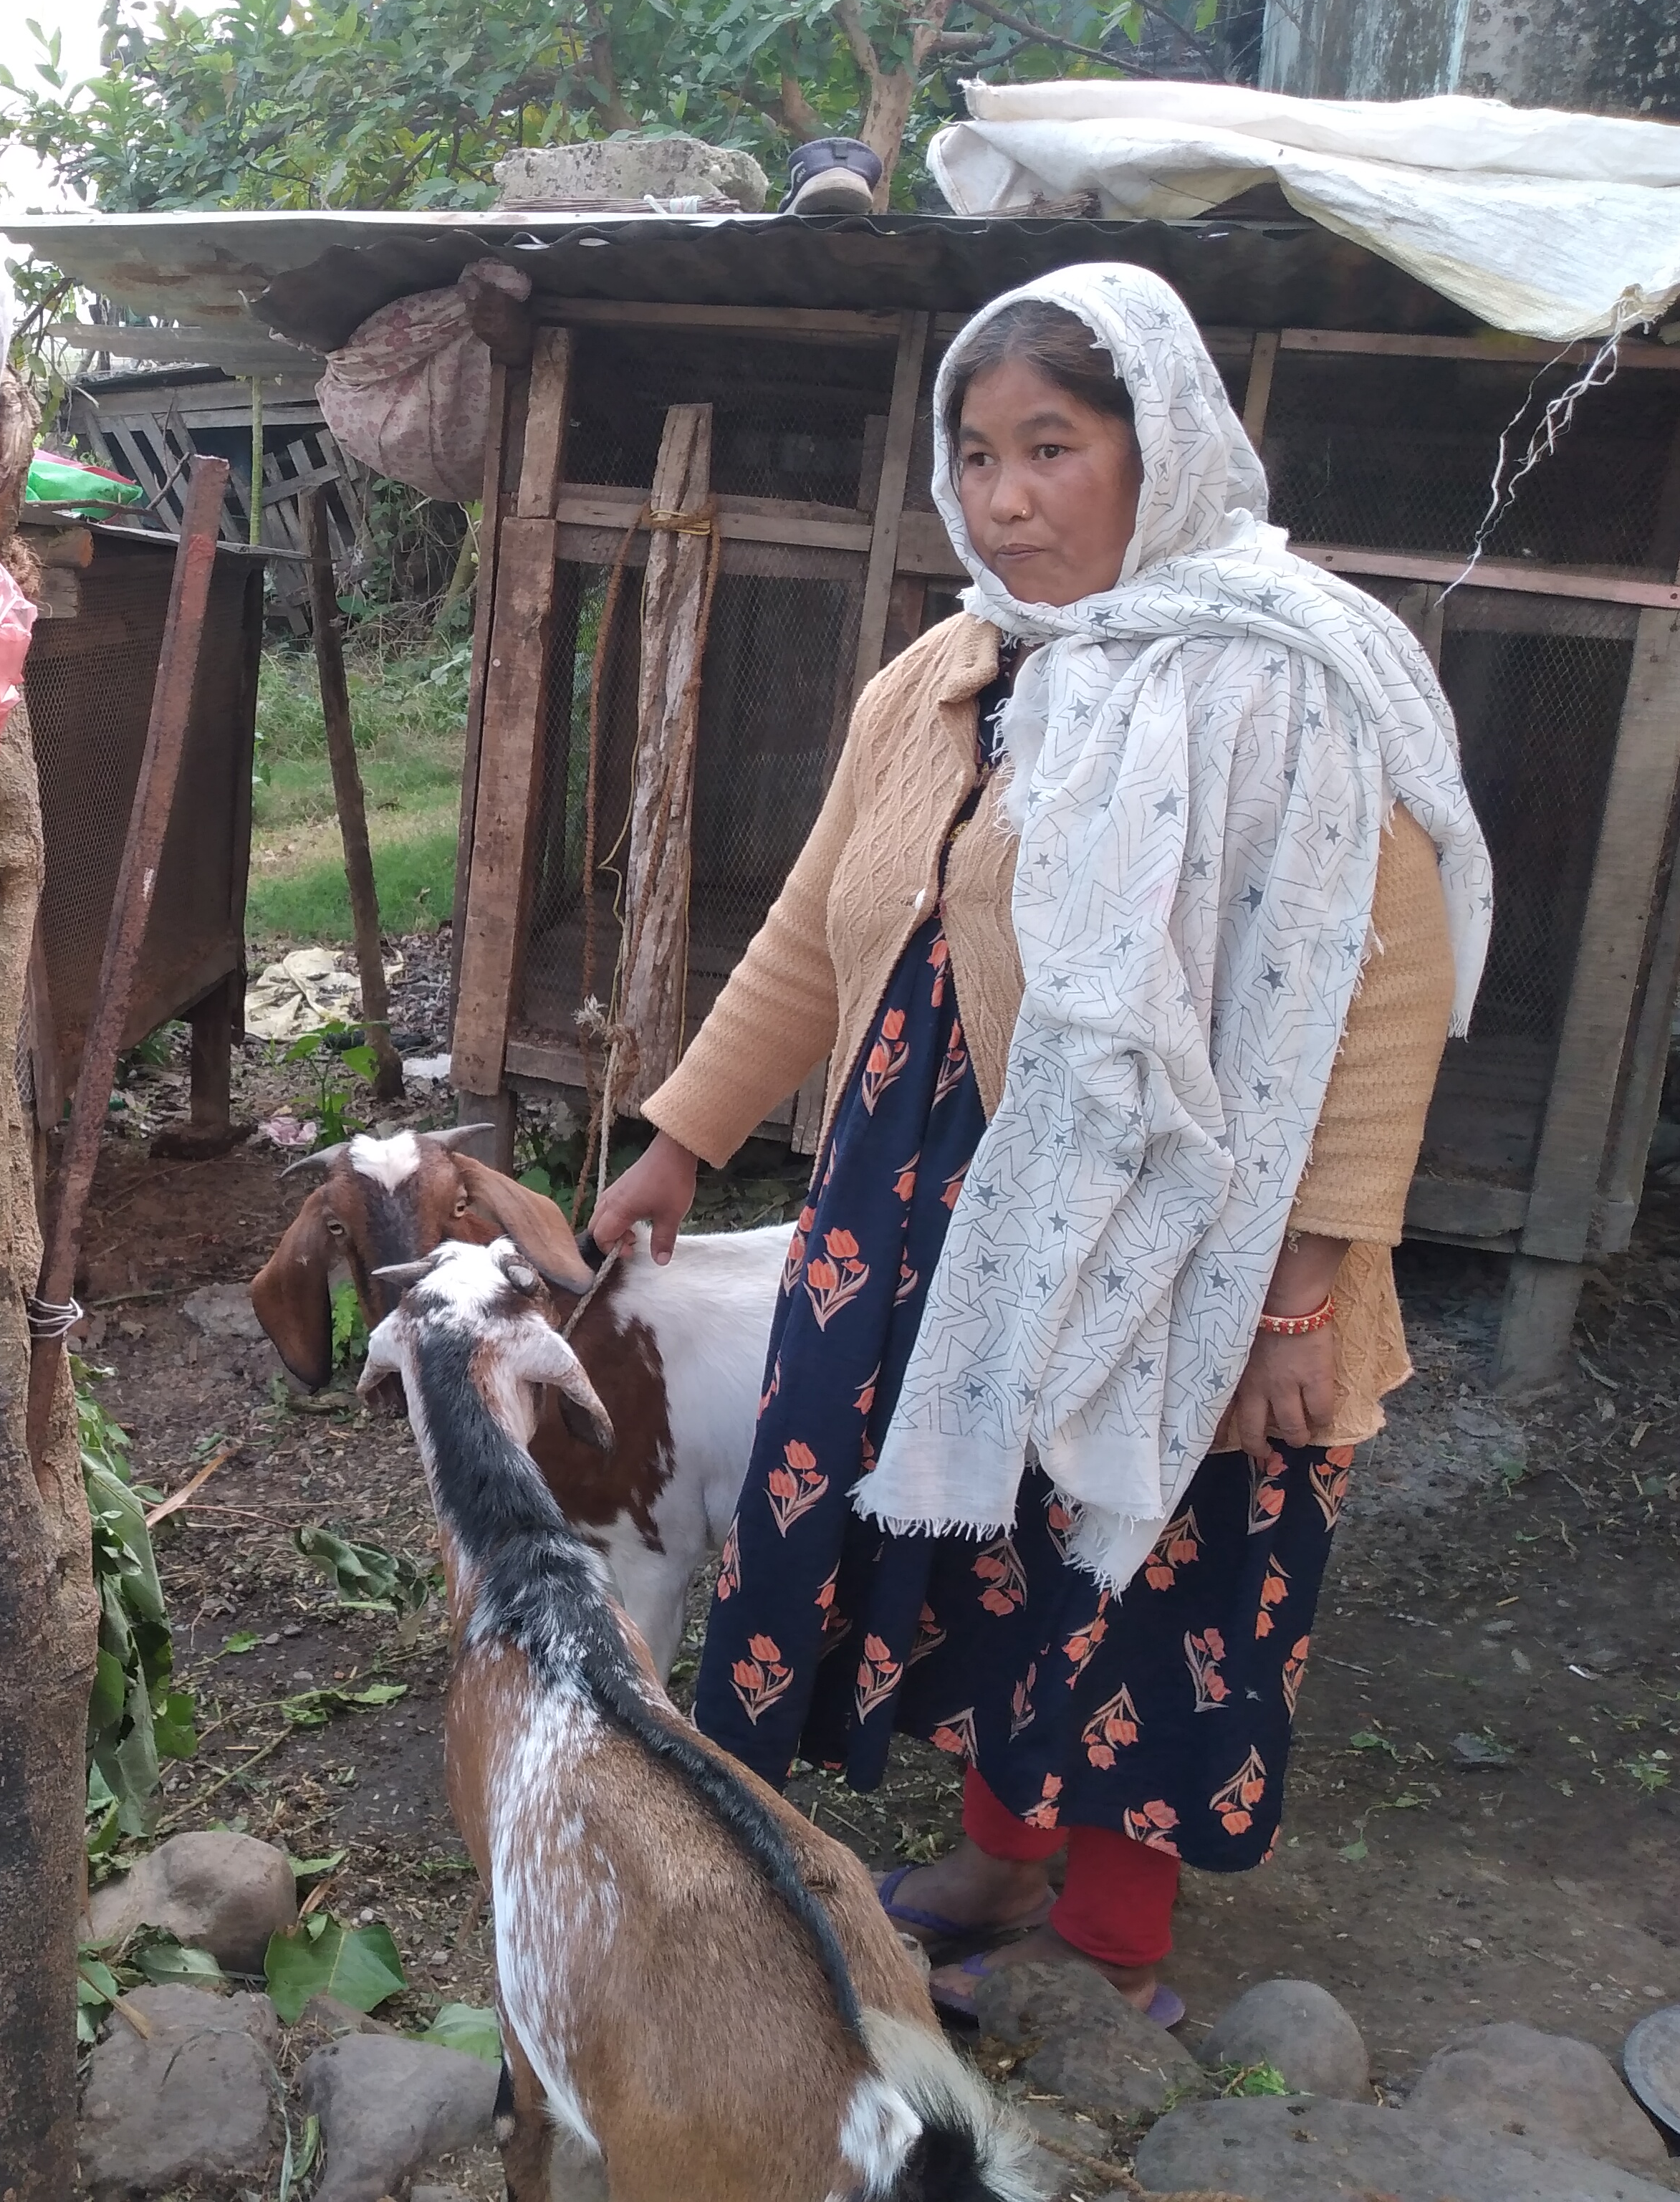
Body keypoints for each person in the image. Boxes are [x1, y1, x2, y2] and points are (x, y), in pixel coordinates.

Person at [585, 262, 1492, 2025]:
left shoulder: (1287, 680)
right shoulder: (946, 669)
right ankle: (1001, 1858)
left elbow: (1382, 998)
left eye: (1052, 449)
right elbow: (815, 923)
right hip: (916, 1203)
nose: (1006, 497)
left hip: (1174, 1229)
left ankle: (1110, 1946)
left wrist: (1303, 1291)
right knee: (983, 1539)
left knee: (1140, 1545)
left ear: (1158, 450)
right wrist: (681, 1137)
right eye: (979, 454)